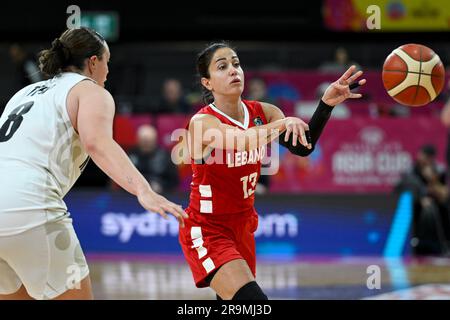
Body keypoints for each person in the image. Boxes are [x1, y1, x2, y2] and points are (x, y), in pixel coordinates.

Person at [0, 27, 187, 300]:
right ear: (93, 62)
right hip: (28, 204)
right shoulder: (90, 91)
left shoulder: (24, 94)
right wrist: (143, 190)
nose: (108, 71)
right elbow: (97, 143)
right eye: (107, 62)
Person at [178, 42, 366, 300]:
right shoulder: (202, 122)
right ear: (207, 83)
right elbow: (241, 140)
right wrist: (282, 124)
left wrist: (326, 104)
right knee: (254, 302)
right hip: (208, 228)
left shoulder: (263, 111)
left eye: (236, 63)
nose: (233, 70)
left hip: (243, 226)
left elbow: (304, 147)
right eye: (222, 67)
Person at [395, 145, 450, 255]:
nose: (420, 158)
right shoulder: (411, 171)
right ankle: (412, 243)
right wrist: (421, 198)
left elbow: (444, 194)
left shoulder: (439, 170)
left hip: (436, 202)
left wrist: (432, 179)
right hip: (417, 202)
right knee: (419, 208)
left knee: (444, 207)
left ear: (430, 158)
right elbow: (407, 188)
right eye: (421, 155)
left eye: (424, 156)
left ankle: (445, 245)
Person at [128, 124, 180, 193]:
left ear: (155, 140)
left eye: (149, 141)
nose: (146, 144)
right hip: (132, 196)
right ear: (138, 140)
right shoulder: (130, 155)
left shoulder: (165, 156)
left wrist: (161, 186)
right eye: (143, 141)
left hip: (161, 195)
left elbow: (174, 180)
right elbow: (121, 176)